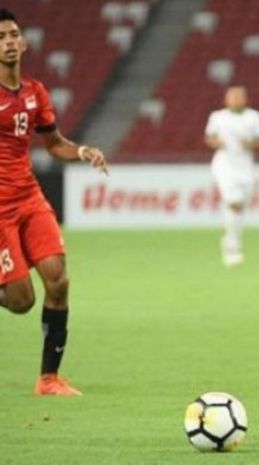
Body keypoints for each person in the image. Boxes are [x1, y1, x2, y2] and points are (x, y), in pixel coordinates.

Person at [0, 8, 108, 396]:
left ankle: (49, 378)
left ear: (24, 42)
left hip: (29, 197)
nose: (9, 41)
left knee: (58, 281)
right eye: (1, 37)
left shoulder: (34, 91)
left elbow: (54, 143)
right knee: (20, 301)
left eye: (13, 34)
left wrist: (83, 152)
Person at [204, 86, 259, 266]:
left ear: (245, 99)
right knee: (234, 201)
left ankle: (231, 236)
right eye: (232, 97)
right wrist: (217, 142)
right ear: (226, 99)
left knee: (240, 206)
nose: (235, 100)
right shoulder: (217, 117)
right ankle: (232, 246)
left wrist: (251, 143)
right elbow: (209, 138)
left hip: (245, 165)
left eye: (239, 96)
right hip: (224, 164)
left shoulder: (254, 117)